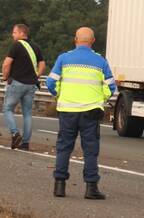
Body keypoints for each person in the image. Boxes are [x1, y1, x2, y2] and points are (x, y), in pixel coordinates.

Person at [46, 27, 116, 200]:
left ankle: (59, 186)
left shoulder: (64, 58)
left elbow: (50, 82)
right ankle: (91, 188)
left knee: (64, 147)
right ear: (92, 41)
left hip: (67, 110)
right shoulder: (100, 61)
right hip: (91, 111)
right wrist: (100, 98)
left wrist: (60, 94)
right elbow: (111, 87)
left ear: (75, 40)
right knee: (90, 149)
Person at [1, 23, 46, 150]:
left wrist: (5, 77)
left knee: (7, 109)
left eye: (14, 32)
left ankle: (15, 133)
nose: (12, 35)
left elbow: (6, 64)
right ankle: (25, 143)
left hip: (17, 83)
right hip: (31, 85)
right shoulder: (35, 47)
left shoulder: (16, 45)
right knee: (27, 113)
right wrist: (36, 76)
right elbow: (42, 65)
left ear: (21, 33)